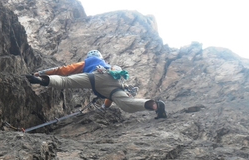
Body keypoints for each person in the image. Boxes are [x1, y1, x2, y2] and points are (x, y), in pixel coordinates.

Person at [26, 50, 167, 119]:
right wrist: (104, 107)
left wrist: (42, 72)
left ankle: (41, 81)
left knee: (65, 81)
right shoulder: (109, 66)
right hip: (116, 84)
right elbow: (109, 96)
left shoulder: (89, 61)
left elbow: (65, 70)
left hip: (97, 76)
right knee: (127, 104)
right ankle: (155, 106)